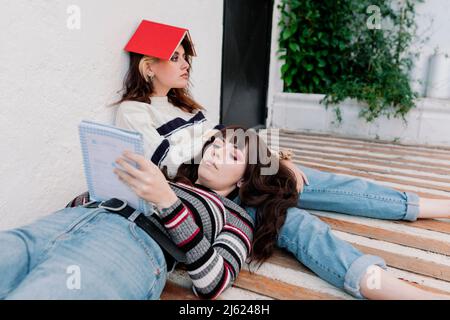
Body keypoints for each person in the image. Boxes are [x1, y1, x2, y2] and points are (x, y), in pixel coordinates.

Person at [70, 20, 450, 299]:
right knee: (301, 227)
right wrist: (241, 151)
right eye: (175, 57)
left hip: (240, 166)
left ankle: (427, 205)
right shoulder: (136, 112)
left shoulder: (183, 104)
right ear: (147, 65)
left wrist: (274, 159)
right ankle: (398, 291)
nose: (185, 65)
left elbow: (224, 134)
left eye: (186, 57)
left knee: (324, 181)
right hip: (218, 189)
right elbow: (168, 162)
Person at [0, 128, 257, 300]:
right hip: (65, 223)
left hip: (125, 247)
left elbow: (214, 283)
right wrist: (101, 187)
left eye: (232, 155)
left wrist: (169, 203)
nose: (216, 153)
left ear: (244, 180)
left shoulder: (235, 215)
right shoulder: (166, 179)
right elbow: (77, 204)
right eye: (217, 145)